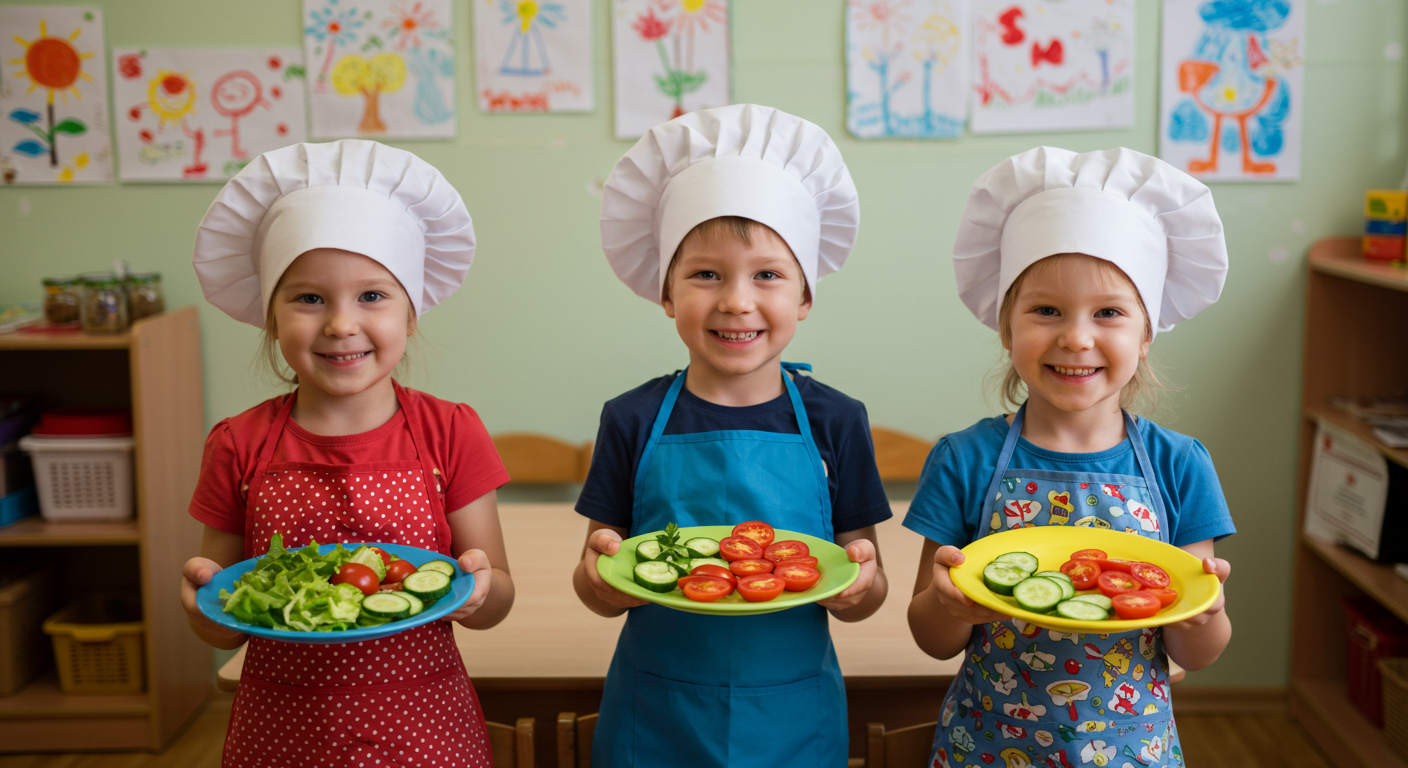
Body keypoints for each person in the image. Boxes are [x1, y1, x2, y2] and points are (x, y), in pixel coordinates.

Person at [573, 104, 892, 768]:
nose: (736, 301)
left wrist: (862, 588)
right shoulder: (630, 418)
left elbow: (865, 581)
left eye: (768, 275)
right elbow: (595, 579)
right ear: (665, 293)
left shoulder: (838, 419)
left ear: (805, 297)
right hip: (655, 717)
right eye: (706, 274)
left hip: (793, 717)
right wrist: (602, 581)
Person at [178, 140, 514, 767]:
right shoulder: (236, 444)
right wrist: (201, 606)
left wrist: (480, 592)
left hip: (425, 725)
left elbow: (495, 600)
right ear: (270, 318)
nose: (340, 324)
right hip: (281, 730)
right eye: (308, 298)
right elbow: (224, 620)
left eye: (372, 296)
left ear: (411, 312)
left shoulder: (452, 432)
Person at [906, 146, 1236, 768]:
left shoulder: (1180, 465)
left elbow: (1198, 653)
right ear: (1006, 328)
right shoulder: (962, 459)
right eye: (1045, 310)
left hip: (1133, 750)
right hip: (989, 747)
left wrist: (1203, 616)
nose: (1076, 337)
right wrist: (948, 606)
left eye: (1109, 312)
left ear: (1145, 333)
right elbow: (930, 640)